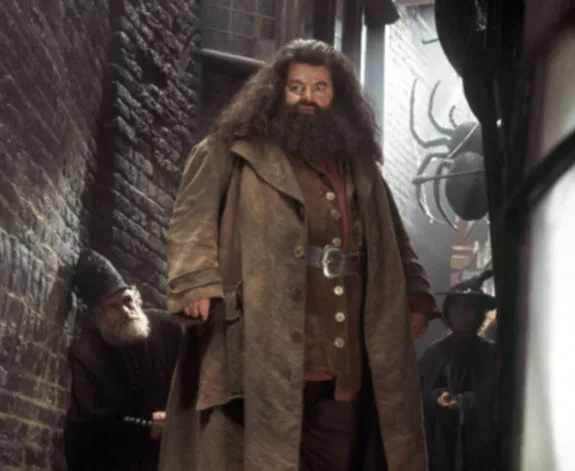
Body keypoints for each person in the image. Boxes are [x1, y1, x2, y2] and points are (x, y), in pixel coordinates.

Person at [160, 39, 440, 471]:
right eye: (296, 87)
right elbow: (191, 217)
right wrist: (195, 280)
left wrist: (415, 291)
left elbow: (394, 239)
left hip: (342, 360)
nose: (307, 97)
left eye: (320, 88)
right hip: (259, 344)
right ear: (277, 93)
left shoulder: (360, 169)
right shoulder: (232, 151)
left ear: (336, 97)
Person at [64, 249, 182, 470]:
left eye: (128, 301)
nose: (127, 312)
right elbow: (93, 429)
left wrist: (177, 414)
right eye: (114, 307)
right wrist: (149, 425)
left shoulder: (168, 328)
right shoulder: (88, 356)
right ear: (97, 316)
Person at [418, 270, 497, 471]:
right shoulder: (435, 352)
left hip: (476, 442)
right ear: (448, 311)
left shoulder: (490, 354)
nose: (462, 313)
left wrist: (465, 401)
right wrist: (437, 397)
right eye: (457, 307)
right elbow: (418, 395)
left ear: (478, 313)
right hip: (439, 441)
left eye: (469, 308)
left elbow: (495, 399)